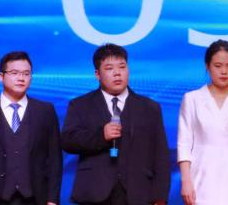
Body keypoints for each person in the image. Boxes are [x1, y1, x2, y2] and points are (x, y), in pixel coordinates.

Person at [60, 43, 170, 205]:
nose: (117, 73)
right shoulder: (80, 105)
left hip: (138, 193)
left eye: (122, 67)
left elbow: (160, 155)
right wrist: (101, 136)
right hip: (94, 193)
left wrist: (160, 197)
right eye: (109, 68)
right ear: (97, 74)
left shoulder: (149, 108)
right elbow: (68, 141)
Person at [0, 51, 62, 205]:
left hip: (35, 198)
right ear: (1, 77)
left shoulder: (45, 111)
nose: (21, 78)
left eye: (26, 74)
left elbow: (55, 159)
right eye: (14, 73)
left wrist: (53, 200)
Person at [177, 40, 228, 205]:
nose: (224, 71)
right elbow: (184, 144)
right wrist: (186, 181)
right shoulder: (192, 99)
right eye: (218, 66)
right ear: (207, 66)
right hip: (200, 175)